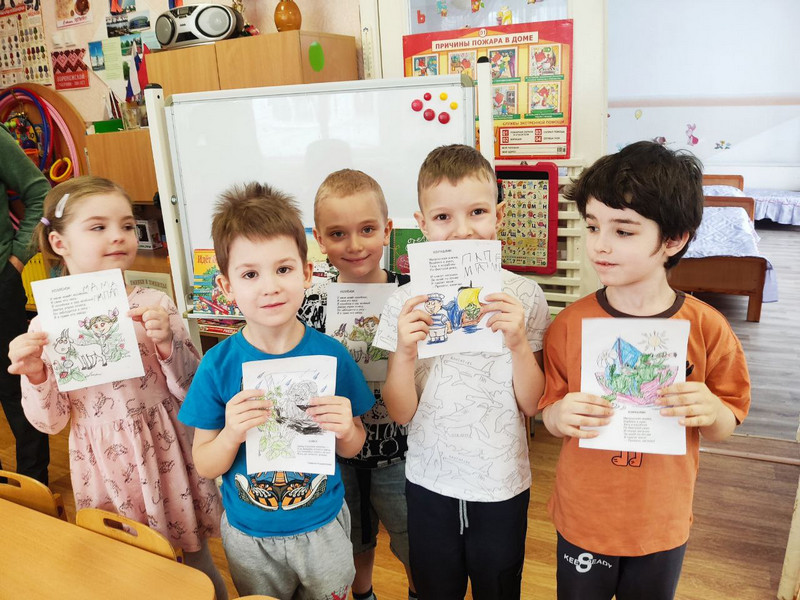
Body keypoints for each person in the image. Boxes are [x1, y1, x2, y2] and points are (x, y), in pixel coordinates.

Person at [538, 141, 751, 600]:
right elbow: (549, 410)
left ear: (673, 239)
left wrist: (711, 409)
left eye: (623, 231)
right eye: (592, 226)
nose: (599, 244)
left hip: (661, 522)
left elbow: (726, 424)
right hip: (585, 516)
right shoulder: (569, 325)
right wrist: (558, 415)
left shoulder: (707, 328)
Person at [7, 176, 228, 599]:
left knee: (196, 563)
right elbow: (50, 422)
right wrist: (35, 374)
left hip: (167, 451)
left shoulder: (156, 305)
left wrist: (167, 343)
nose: (118, 235)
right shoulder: (44, 326)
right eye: (98, 226)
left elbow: (194, 392)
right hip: (103, 466)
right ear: (59, 242)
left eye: (127, 225)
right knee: (127, 568)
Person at [178, 182, 375, 599]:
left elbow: (355, 445)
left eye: (283, 269)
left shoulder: (332, 355)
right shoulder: (217, 365)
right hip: (250, 537)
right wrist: (231, 433)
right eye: (250, 274)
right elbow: (206, 464)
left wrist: (346, 429)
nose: (269, 286)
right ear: (227, 287)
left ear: (306, 273)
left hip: (323, 527)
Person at [372, 144, 551, 600]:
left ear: (499, 215)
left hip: (501, 481)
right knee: (437, 588)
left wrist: (517, 343)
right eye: (443, 217)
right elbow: (400, 412)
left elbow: (532, 404)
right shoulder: (404, 302)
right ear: (423, 223)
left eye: (477, 212)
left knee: (499, 587)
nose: (463, 230)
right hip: (430, 479)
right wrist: (405, 352)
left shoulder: (525, 296)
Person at [299, 169, 416, 600]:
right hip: (337, 455)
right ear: (319, 239)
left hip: (405, 452)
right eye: (338, 234)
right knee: (352, 541)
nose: (354, 245)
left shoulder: (412, 297)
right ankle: (363, 593)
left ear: (387, 229)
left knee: (413, 541)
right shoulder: (310, 304)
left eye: (367, 229)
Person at [0, 124, 50, 484]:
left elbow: (40, 195)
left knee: (15, 386)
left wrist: (17, 260)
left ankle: (34, 485)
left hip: (1, 285)